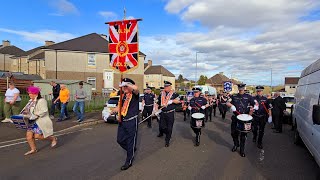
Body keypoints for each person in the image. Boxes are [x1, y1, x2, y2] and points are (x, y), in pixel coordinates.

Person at [112, 78, 139, 170]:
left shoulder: (134, 95)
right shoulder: (122, 95)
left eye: (126, 86)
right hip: (122, 121)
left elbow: (136, 88)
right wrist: (111, 112)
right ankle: (131, 150)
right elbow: (119, 107)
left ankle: (129, 161)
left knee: (131, 141)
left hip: (131, 121)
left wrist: (127, 84)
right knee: (119, 140)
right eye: (123, 86)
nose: (124, 87)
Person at [23, 86, 57, 156]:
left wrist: (36, 115)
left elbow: (44, 111)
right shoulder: (30, 101)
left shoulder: (42, 100)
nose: (29, 95)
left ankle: (53, 138)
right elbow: (26, 109)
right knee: (29, 136)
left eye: (30, 93)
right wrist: (23, 114)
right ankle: (33, 149)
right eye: (29, 93)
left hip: (40, 120)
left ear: (36, 94)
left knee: (37, 136)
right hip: (31, 121)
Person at [227, 84, 255, 157]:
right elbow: (227, 102)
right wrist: (231, 106)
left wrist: (250, 114)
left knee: (243, 135)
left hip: (244, 118)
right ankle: (236, 144)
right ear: (238, 89)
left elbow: (254, 105)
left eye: (242, 88)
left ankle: (242, 150)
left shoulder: (248, 96)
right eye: (240, 88)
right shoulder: (234, 96)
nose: (241, 89)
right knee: (233, 133)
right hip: (236, 117)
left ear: (244, 88)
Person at [156, 81, 180, 147]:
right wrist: (156, 110)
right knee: (162, 126)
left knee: (169, 128)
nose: (165, 88)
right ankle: (167, 134)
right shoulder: (161, 94)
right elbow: (157, 102)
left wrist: (171, 101)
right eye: (165, 86)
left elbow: (178, 101)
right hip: (163, 113)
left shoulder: (175, 94)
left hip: (170, 113)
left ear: (170, 87)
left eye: (167, 86)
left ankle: (167, 140)